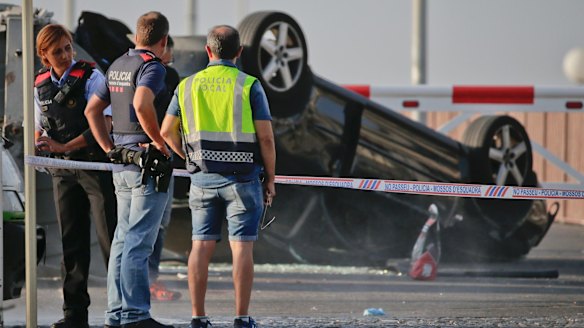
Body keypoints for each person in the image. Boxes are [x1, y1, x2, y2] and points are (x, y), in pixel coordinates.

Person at [160, 25, 276, 328]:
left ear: (208, 51)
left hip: (201, 180)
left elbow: (165, 131)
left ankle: (198, 317)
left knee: (200, 246)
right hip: (243, 180)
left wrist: (189, 158)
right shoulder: (249, 85)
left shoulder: (186, 86)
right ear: (239, 53)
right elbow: (266, 139)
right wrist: (272, 178)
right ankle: (241, 317)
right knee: (242, 247)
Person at [84, 11, 174, 328]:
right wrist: (160, 142)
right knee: (139, 242)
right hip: (146, 166)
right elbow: (141, 103)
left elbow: (92, 109)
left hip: (121, 163)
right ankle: (136, 314)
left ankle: (116, 312)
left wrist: (109, 148)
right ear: (163, 41)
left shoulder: (117, 65)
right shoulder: (152, 67)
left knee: (122, 240)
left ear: (136, 36)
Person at [33, 24, 117, 328]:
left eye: (68, 47)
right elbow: (39, 123)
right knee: (72, 244)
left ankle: (120, 310)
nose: (66, 54)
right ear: (44, 55)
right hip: (63, 172)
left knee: (110, 240)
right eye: (58, 51)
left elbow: (104, 124)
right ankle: (74, 315)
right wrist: (40, 142)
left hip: (94, 167)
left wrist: (65, 145)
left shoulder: (93, 78)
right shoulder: (40, 84)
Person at [148, 35, 182, 302]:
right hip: (155, 156)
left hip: (161, 157)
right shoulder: (161, 74)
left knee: (160, 222)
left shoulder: (170, 75)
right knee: (152, 222)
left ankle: (150, 279)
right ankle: (148, 280)